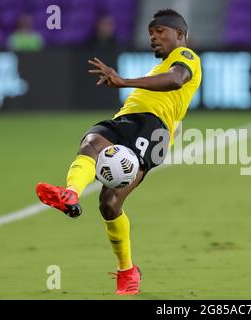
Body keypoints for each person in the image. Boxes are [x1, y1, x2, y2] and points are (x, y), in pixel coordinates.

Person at [35, 9, 202, 295]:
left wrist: (124, 81)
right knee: (90, 144)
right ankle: (71, 194)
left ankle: (127, 270)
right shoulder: (157, 69)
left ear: (180, 35)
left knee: (110, 202)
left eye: (160, 31)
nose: (154, 38)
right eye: (150, 33)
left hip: (153, 129)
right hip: (126, 119)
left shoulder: (187, 58)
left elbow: (175, 80)